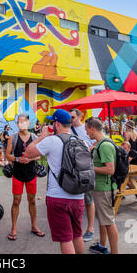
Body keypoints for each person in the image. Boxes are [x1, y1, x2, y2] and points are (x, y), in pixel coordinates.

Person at [24, 109, 85, 254]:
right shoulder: (80, 141)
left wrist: (43, 136)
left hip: (58, 197)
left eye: (52, 122)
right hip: (79, 196)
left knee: (65, 238)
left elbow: (28, 152)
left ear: (57, 124)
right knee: (77, 234)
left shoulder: (52, 141)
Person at [5, 114, 44, 241]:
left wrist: (30, 158)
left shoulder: (34, 137)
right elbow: (7, 155)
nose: (21, 124)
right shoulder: (13, 138)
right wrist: (17, 159)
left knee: (32, 201)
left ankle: (34, 226)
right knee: (16, 201)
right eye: (18, 122)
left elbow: (39, 156)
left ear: (28, 123)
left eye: (23, 122)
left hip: (31, 173)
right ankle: (14, 228)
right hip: (17, 173)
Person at [85, 117, 119, 254]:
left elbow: (110, 170)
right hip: (100, 188)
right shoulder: (100, 143)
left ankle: (114, 252)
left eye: (87, 130)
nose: (87, 133)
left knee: (109, 222)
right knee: (104, 220)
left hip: (105, 189)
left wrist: (90, 168)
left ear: (92, 129)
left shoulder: (104, 145)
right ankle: (102, 245)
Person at [69, 108, 96, 242]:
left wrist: (89, 148)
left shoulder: (87, 130)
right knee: (75, 199)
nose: (71, 120)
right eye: (70, 118)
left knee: (88, 199)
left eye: (73, 117)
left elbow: (98, 141)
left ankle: (90, 228)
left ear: (79, 116)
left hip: (86, 167)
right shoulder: (68, 129)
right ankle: (76, 228)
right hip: (73, 169)